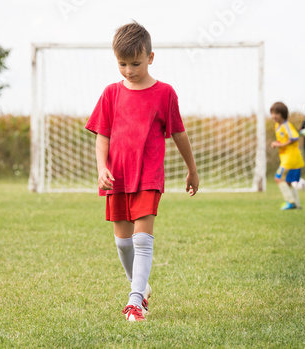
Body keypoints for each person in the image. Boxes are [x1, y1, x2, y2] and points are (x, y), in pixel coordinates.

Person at [85, 22, 199, 322]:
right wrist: (101, 168)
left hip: (148, 176)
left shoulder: (165, 93)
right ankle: (141, 287)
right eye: (122, 64)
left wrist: (192, 170)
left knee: (141, 239)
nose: (128, 70)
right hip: (117, 178)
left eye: (135, 63)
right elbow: (102, 135)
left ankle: (136, 301)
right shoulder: (111, 93)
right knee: (122, 243)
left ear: (150, 57)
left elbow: (179, 134)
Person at [269, 102, 304, 210]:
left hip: (290, 159)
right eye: (272, 113)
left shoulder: (286, 125)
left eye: (277, 113)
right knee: (288, 182)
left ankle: (290, 202)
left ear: (283, 114)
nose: (274, 116)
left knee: (278, 178)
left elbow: (294, 138)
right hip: (288, 158)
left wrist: (278, 144)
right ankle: (297, 204)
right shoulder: (277, 126)